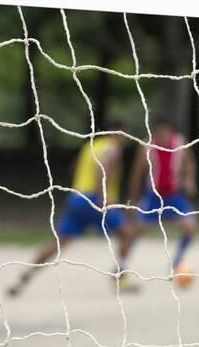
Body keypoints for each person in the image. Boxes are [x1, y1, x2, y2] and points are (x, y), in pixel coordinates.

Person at [8, 121, 137, 297]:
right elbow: (104, 169)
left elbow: (73, 167)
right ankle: (120, 276)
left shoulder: (90, 146)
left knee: (60, 242)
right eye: (124, 134)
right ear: (117, 133)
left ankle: (25, 276)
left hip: (77, 197)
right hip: (96, 199)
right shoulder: (112, 148)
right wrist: (103, 197)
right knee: (127, 233)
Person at [129, 117, 197, 276]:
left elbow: (190, 163)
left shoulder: (180, 143)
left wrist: (189, 180)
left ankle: (177, 262)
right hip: (153, 196)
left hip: (174, 196)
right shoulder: (147, 146)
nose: (163, 135)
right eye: (159, 132)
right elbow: (137, 174)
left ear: (171, 132)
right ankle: (121, 265)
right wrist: (132, 199)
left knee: (190, 226)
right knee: (136, 229)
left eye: (165, 132)